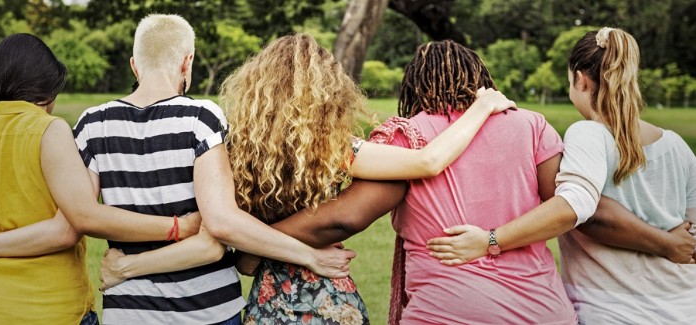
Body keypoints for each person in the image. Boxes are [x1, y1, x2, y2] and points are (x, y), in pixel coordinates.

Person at [0, 17, 355, 325]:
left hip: (129, 309)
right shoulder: (201, 117)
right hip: (207, 310)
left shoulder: (92, 124)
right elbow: (222, 223)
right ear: (187, 62)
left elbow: (74, 218)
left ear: (133, 64)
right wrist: (310, 256)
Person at [94, 33, 515, 324]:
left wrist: (253, 254)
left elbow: (231, 242)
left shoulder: (234, 150)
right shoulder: (333, 148)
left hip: (267, 300)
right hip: (329, 294)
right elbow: (427, 161)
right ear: (328, 89)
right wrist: (481, 107)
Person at [428, 28, 696, 324]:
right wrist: (669, 243)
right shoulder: (676, 145)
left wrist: (491, 240)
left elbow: (580, 206)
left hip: (614, 309)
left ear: (580, 79)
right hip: (683, 305)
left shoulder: (589, 133)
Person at [0, 33, 210, 325]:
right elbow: (77, 221)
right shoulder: (49, 130)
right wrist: (179, 226)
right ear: (47, 92)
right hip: (50, 310)